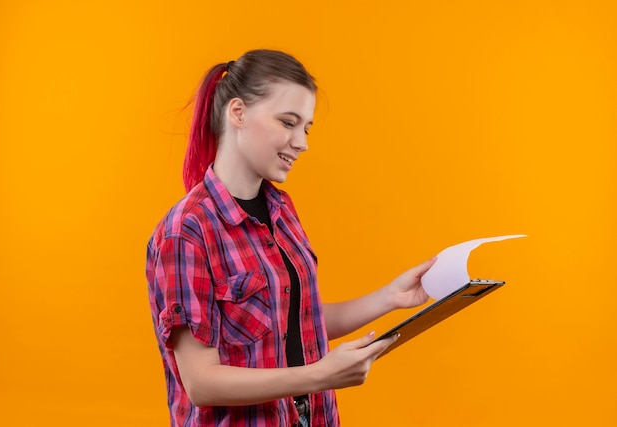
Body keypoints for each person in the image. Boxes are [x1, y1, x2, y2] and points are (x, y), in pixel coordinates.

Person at [146, 49, 435, 427]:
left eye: (306, 128)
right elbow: (201, 382)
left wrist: (390, 297)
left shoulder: (282, 210)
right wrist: (322, 375)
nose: (302, 142)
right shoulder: (187, 231)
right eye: (288, 122)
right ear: (237, 113)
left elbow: (296, 320)